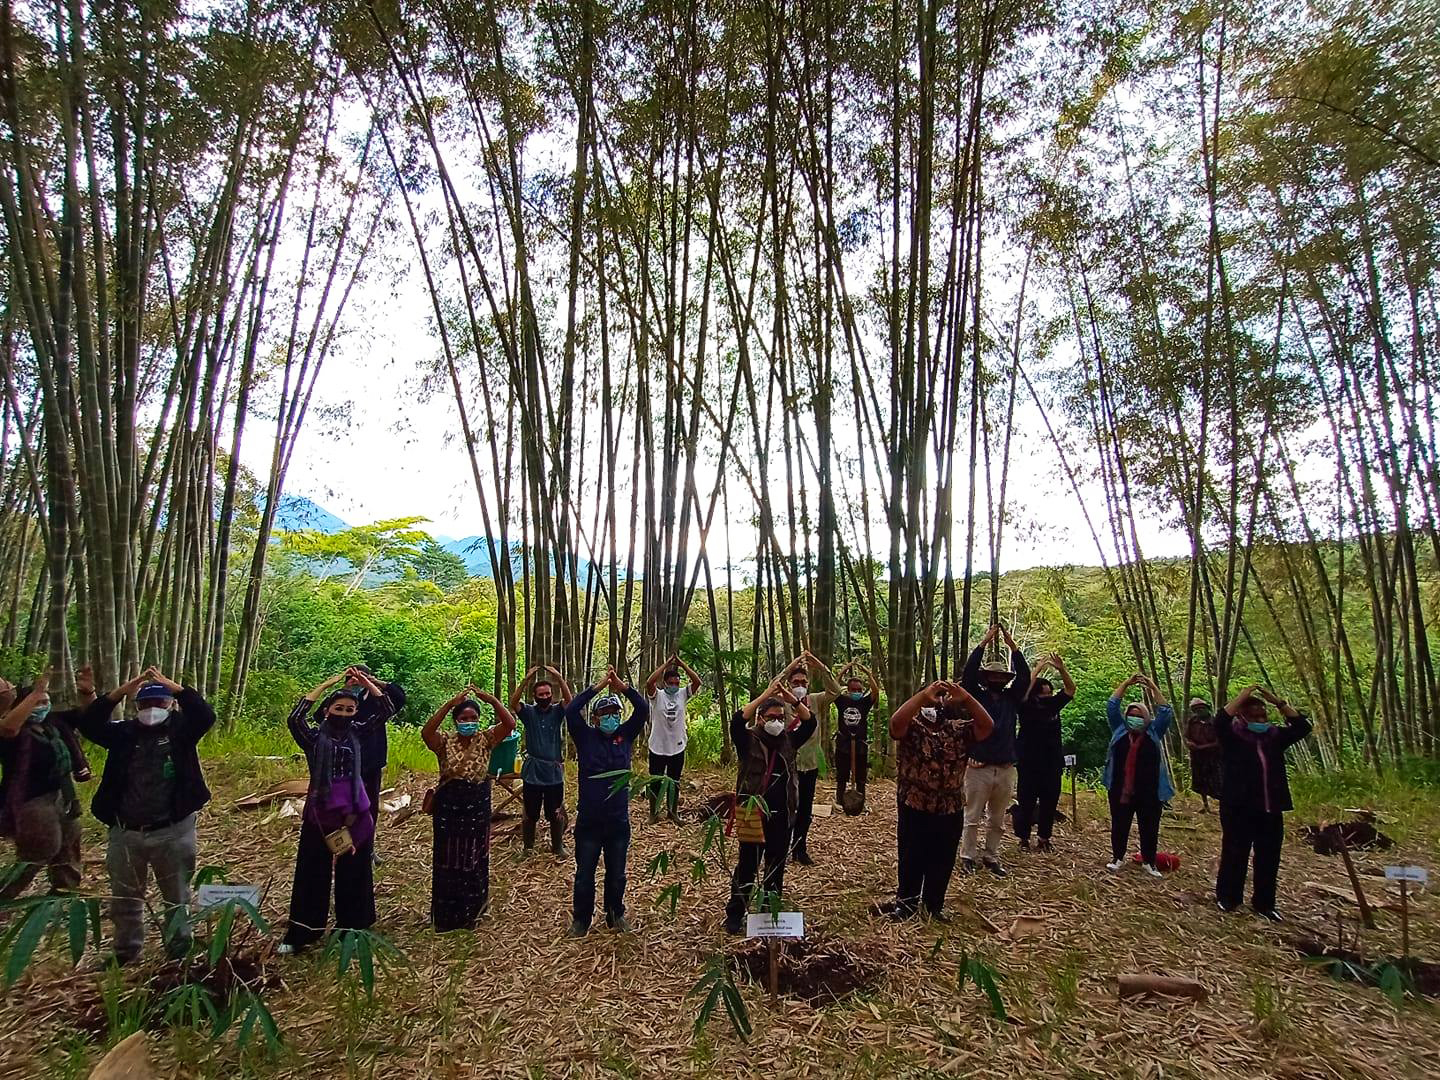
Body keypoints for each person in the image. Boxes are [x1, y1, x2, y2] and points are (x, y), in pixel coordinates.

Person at [74, 667, 216, 965]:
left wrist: (176, 688)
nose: (152, 709)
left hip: (173, 829)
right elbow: (89, 725)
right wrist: (116, 693)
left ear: (171, 705)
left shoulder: (180, 731)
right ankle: (126, 952)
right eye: (145, 704)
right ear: (136, 707)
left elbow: (205, 716)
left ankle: (179, 950)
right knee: (125, 899)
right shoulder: (124, 733)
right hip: (126, 831)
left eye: (160, 703)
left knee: (176, 896)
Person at [280, 669, 395, 953]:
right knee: (312, 869)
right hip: (321, 809)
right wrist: (326, 685)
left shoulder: (359, 732)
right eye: (338, 708)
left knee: (355, 867)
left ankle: (354, 928)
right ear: (328, 710)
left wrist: (367, 683)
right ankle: (303, 932)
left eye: (349, 709)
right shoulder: (314, 739)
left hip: (355, 808)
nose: (344, 713)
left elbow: (386, 708)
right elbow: (295, 718)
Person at [875, 681, 994, 922]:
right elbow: (896, 724)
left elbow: (987, 726)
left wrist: (967, 697)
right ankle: (906, 904)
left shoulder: (959, 729)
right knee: (911, 855)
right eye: (932, 697)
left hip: (950, 807)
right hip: (914, 804)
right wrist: (922, 696)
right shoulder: (913, 727)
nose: (935, 701)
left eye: (940, 697)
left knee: (943, 857)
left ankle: (933, 906)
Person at [1213, 685, 1312, 921]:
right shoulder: (1233, 737)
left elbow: (1302, 727)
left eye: (1263, 715)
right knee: (1235, 853)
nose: (1260, 719)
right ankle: (1228, 898)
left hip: (1271, 806)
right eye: (1254, 716)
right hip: (1238, 807)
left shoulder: (1275, 737)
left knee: (1269, 857)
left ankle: (1265, 903)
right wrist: (1243, 696)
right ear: (1242, 716)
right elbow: (1220, 720)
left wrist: (1278, 702)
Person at [422, 685, 516, 931]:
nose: (469, 722)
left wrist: (493, 700)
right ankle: (447, 915)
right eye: (464, 719)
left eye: (474, 718)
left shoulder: (485, 739)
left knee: (474, 854)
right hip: (449, 806)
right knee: (448, 855)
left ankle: (473, 911)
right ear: (456, 721)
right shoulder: (444, 742)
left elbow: (509, 724)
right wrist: (448, 705)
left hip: (476, 803)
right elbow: (427, 732)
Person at [725, 681, 814, 935]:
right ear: (761, 718)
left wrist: (792, 700)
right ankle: (735, 913)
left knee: (775, 868)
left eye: (780, 717)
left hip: (782, 814)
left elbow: (810, 723)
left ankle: (768, 913)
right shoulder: (748, 739)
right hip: (751, 812)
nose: (776, 721)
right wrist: (765, 694)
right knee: (747, 867)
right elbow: (736, 721)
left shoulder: (789, 740)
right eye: (771, 717)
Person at [565, 667, 647, 936]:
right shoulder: (585, 736)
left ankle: (615, 914)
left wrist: (622, 687)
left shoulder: (626, 735)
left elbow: (643, 709)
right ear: (596, 718)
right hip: (589, 820)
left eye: (614, 713)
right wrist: (598, 687)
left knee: (617, 874)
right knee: (584, 874)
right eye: (604, 714)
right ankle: (581, 921)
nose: (610, 718)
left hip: (617, 821)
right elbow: (570, 710)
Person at [0, 669, 93, 899]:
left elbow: (89, 716)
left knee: (69, 843)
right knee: (40, 850)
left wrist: (88, 692)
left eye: (46, 701)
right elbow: (8, 729)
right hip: (31, 799)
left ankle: (65, 896)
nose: (43, 705)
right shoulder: (13, 730)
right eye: (38, 701)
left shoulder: (54, 723)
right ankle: (4, 895)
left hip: (62, 794)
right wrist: (36, 692)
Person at [960, 624, 1031, 876]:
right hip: (978, 766)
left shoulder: (1012, 699)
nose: (998, 680)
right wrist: (983, 643)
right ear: (986, 678)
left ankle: (991, 857)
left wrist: (1013, 647)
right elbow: (967, 676)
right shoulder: (977, 698)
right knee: (972, 816)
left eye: (1002, 677)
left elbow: (1024, 677)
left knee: (998, 820)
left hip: (1005, 767)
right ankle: (968, 856)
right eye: (994, 676)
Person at [1103, 674, 1174, 877]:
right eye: (1131, 714)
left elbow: (1165, 711)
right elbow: (1112, 706)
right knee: (1119, 824)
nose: (1135, 718)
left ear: (1146, 717)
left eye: (1139, 715)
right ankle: (1117, 858)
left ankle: (1149, 862)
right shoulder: (1119, 730)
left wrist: (1152, 685)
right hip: (1119, 787)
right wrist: (1125, 684)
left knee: (1149, 826)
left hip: (1150, 790)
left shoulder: (1154, 731)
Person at [784, 650, 842, 866]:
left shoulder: (815, 700)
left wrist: (819, 665)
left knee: (805, 810)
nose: (799, 684)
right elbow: (771, 686)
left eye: (802, 681)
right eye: (795, 681)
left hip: (809, 764)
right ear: (789, 683)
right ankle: (781, 846)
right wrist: (791, 667)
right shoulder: (780, 701)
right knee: (785, 808)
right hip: (787, 765)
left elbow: (836, 691)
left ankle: (800, 848)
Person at [1013, 654, 1075, 852]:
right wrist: (1037, 669)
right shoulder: (1025, 707)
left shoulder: (1054, 705)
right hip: (1029, 762)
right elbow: (1023, 693)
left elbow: (1070, 690)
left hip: (1052, 762)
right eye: (1044, 694)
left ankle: (1044, 838)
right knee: (1026, 802)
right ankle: (1023, 838)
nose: (1047, 697)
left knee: (1049, 802)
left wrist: (1062, 669)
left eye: (1050, 693)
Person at [510, 665, 574, 855]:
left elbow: (570, 700)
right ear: (535, 696)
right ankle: (528, 847)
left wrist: (559, 678)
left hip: (553, 770)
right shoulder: (528, 713)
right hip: (533, 771)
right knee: (530, 811)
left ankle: (558, 846)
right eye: (541, 694)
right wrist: (525, 680)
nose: (545, 697)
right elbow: (513, 702)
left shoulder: (557, 712)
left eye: (547, 693)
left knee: (555, 811)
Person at [344, 664, 405, 858]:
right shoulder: (343, 701)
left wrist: (372, 682)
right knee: (346, 805)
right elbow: (321, 715)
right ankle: (344, 845)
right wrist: (344, 687)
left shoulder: (376, 700)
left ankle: (368, 849)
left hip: (372, 759)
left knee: (370, 806)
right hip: (345, 761)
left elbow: (399, 698)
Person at [644, 654, 702, 824]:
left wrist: (683, 665)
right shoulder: (657, 696)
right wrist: (665, 664)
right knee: (655, 780)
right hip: (657, 746)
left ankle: (672, 812)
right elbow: (649, 683)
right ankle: (653, 813)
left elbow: (697, 682)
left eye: (677, 683)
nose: (675, 686)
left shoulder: (683, 694)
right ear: (665, 683)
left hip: (677, 746)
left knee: (674, 781)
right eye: (671, 683)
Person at [834, 661, 880, 812]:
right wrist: (843, 670)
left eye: (859, 689)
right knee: (842, 775)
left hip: (860, 744)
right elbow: (833, 686)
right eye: (853, 689)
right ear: (848, 689)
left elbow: (875, 691)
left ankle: (860, 803)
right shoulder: (842, 701)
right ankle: (840, 802)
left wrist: (867, 673)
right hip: (843, 742)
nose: (856, 691)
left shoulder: (864, 702)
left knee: (860, 776)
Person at [1185, 697, 1223, 813]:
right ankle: (1205, 805)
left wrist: (1202, 747)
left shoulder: (1216, 722)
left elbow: (1220, 741)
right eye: (1196, 709)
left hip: (1214, 757)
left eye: (1202, 708)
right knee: (1200, 780)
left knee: (1218, 780)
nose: (1199, 710)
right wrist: (1189, 743)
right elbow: (1187, 736)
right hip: (1197, 757)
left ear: (1207, 708)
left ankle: (1222, 805)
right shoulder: (1192, 721)